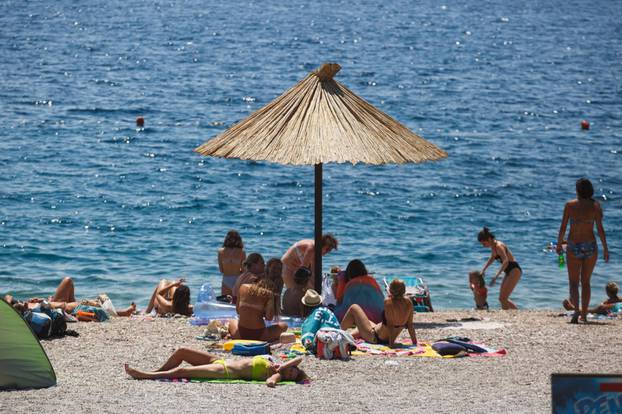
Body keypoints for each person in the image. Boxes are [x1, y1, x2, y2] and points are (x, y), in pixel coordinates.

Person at [557, 178, 609, 323]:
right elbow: (600, 229)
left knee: (573, 282)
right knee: (586, 282)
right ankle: (584, 315)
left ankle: (576, 313)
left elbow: (563, 227)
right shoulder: (595, 206)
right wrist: (605, 248)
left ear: (577, 190)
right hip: (591, 246)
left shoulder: (570, 205)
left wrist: (559, 244)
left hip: (574, 246)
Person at [124, 348, 307, 387]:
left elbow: (269, 382)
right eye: (292, 369)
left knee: (182, 372)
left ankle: (145, 375)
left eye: (292, 373)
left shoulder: (277, 375)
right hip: (219, 361)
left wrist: (278, 376)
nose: (290, 370)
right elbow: (299, 358)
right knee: (181, 352)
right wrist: (286, 366)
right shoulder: (275, 364)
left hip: (225, 372)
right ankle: (157, 372)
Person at [340, 279, 417, 348]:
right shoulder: (408, 302)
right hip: (383, 336)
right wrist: (414, 343)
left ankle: (338, 333)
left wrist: (391, 344)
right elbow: (410, 325)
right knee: (367, 322)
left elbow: (390, 324)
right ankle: (348, 336)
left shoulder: (388, 302)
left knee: (354, 307)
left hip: (375, 337)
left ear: (390, 290)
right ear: (404, 290)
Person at [4, 277, 136, 316]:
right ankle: (121, 312)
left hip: (59, 304)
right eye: (24, 306)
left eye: (23, 304)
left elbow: (7, 296)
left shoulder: (23, 305)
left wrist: (37, 301)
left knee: (68, 281)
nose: (25, 304)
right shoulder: (30, 314)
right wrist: (44, 303)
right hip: (66, 308)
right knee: (90, 305)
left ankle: (119, 312)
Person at [478, 227, 522, 310]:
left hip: (514, 270)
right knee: (502, 299)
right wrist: (483, 270)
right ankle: (515, 313)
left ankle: (511, 314)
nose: (483, 246)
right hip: (509, 270)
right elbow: (492, 258)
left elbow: (506, 261)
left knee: (503, 298)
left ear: (489, 239)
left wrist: (496, 276)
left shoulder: (499, 246)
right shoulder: (493, 246)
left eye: (484, 243)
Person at [218, 230, 246, 297]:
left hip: (226, 279)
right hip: (237, 280)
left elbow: (221, 270)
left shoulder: (220, 252)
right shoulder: (242, 252)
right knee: (236, 303)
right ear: (238, 239)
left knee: (225, 303)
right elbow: (244, 270)